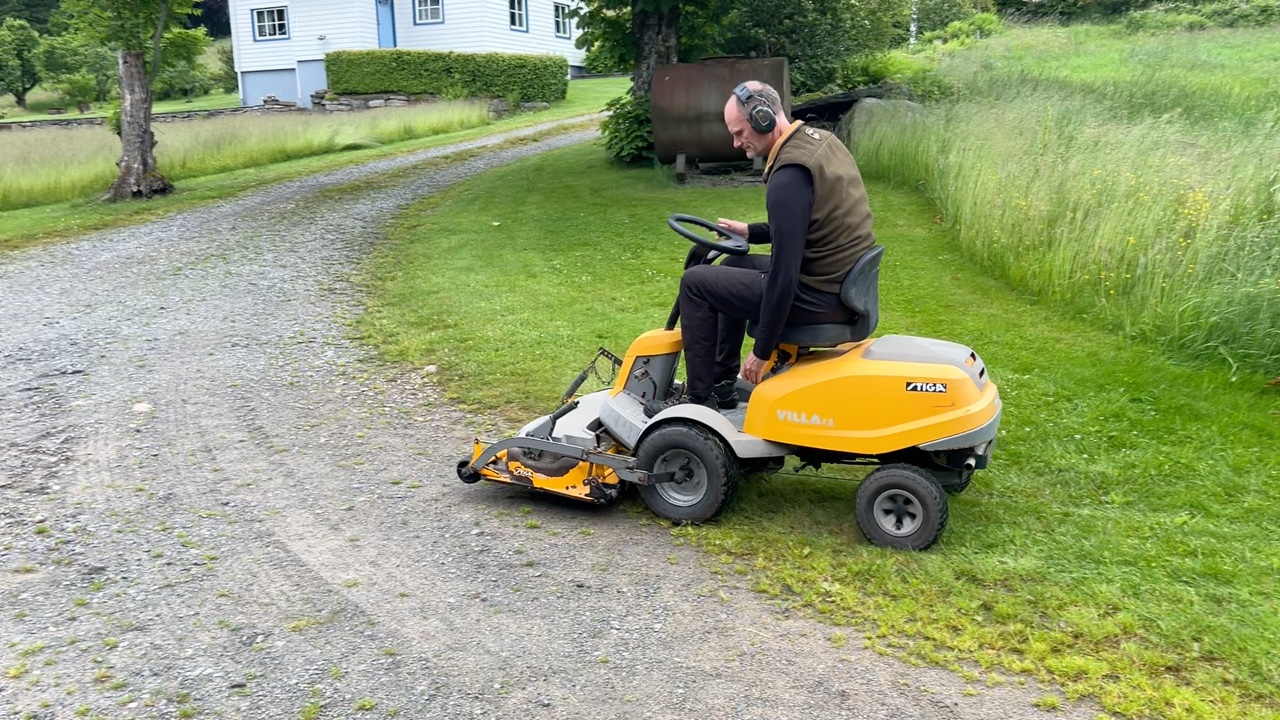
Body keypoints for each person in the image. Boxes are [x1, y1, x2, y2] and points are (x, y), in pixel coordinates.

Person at [644, 80, 877, 418]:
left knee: (696, 282)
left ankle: (698, 398)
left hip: (819, 297)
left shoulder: (789, 174)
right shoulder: (820, 142)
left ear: (763, 118)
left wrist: (762, 350)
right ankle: (721, 384)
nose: (736, 143)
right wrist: (750, 232)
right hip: (839, 287)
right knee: (733, 267)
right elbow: (808, 224)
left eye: (739, 132)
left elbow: (784, 275)